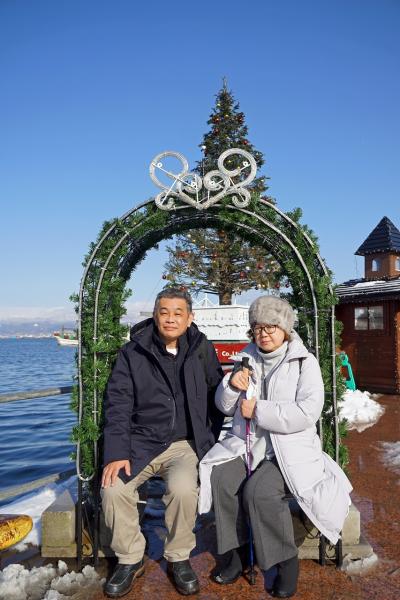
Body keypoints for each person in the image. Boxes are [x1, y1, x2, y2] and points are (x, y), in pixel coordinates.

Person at [198, 295, 352, 598]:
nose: (264, 334)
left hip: (288, 452)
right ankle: (236, 554)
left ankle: (285, 562)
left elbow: (309, 411)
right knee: (222, 479)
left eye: (271, 326)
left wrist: (259, 410)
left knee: (260, 491)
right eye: (258, 328)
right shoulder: (246, 358)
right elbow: (224, 406)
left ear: (285, 329)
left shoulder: (303, 362)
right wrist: (231, 387)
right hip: (248, 446)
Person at [101, 287, 223, 598]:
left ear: (190, 317)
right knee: (114, 487)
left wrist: (209, 440)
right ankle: (129, 559)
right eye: (164, 312)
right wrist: (116, 453)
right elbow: (118, 405)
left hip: (184, 445)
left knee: (183, 489)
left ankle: (178, 557)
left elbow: (217, 396)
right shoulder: (132, 353)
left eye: (177, 313)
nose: (170, 319)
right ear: (155, 316)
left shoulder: (201, 348)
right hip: (140, 442)